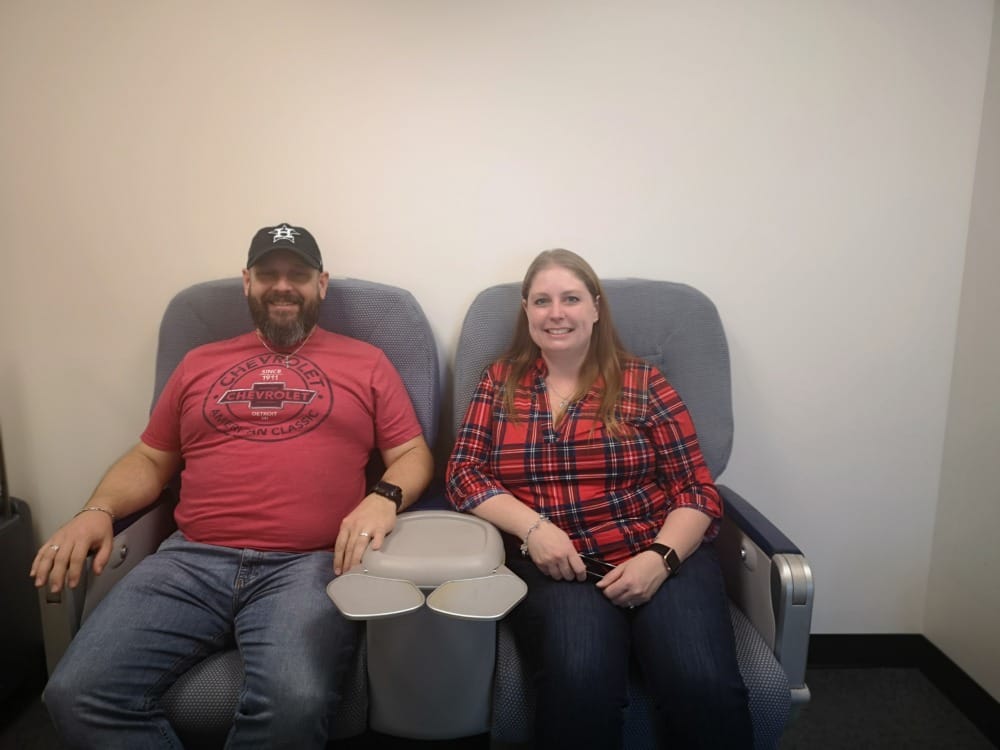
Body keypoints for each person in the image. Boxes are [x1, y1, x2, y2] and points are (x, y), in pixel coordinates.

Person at [31, 222, 434, 749]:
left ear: (322, 284)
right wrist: (98, 509)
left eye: (299, 274)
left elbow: (411, 454)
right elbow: (151, 459)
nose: (283, 285)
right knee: (75, 692)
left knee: (295, 701)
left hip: (308, 564)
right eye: (268, 273)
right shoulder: (200, 363)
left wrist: (383, 499)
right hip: (190, 560)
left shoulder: (366, 361)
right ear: (247, 282)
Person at [446, 249, 752, 748]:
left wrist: (661, 558)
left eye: (570, 298)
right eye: (542, 301)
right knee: (580, 689)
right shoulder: (500, 383)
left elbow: (695, 487)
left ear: (595, 308)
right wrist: (535, 529)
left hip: (657, 549)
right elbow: (463, 474)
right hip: (557, 565)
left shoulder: (642, 382)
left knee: (702, 686)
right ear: (527, 312)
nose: (556, 312)